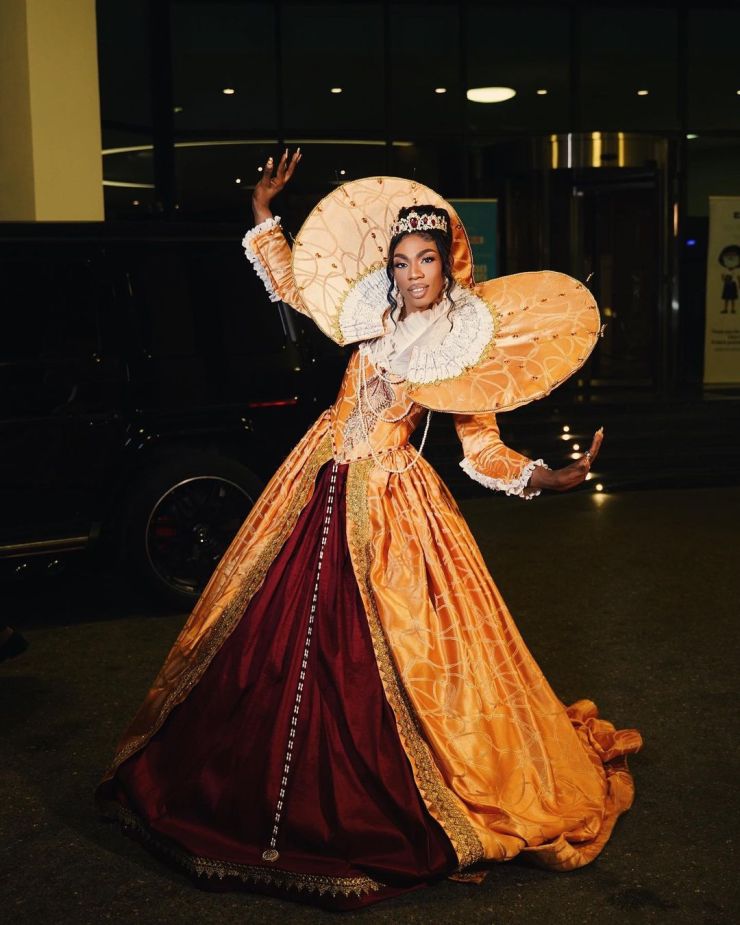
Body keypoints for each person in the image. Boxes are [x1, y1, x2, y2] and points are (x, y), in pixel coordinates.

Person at [95, 150, 642, 910]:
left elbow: (480, 449)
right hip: (315, 478)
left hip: (390, 503)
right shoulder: (369, 316)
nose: (413, 273)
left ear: (449, 265)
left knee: (382, 652)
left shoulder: (462, 346)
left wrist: (547, 477)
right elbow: (295, 287)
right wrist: (264, 215)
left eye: (427, 259)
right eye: (402, 260)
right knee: (266, 631)